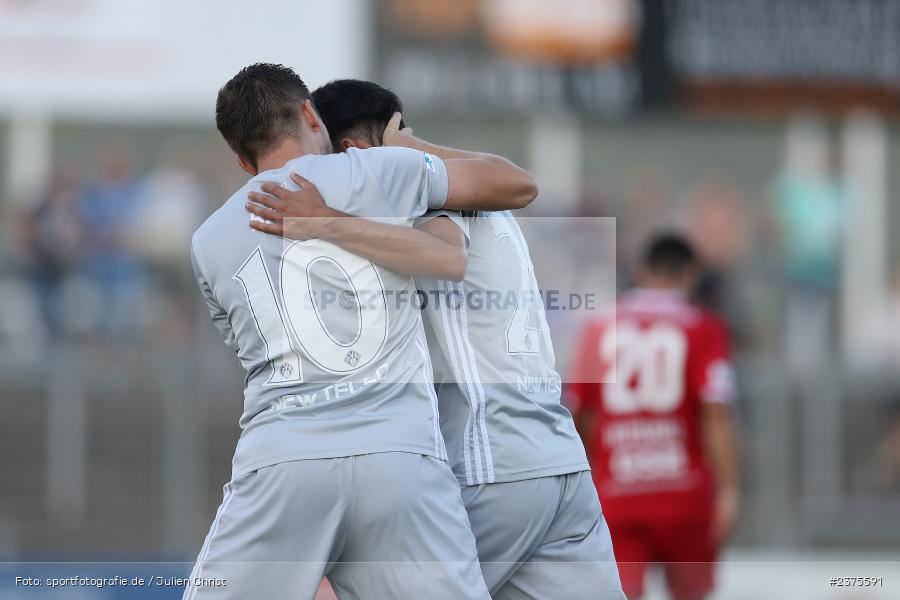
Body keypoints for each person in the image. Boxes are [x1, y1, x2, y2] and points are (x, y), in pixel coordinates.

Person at [246, 79, 625, 600]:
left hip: (490, 462)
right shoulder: (473, 189)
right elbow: (518, 182)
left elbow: (446, 258)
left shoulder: (415, 194)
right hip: (561, 468)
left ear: (355, 152)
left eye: (334, 163)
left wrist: (325, 220)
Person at [187, 63, 537, 600]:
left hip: (283, 460)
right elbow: (512, 184)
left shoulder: (209, 240)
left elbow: (246, 349)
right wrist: (411, 148)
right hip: (400, 456)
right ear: (310, 114)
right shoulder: (379, 172)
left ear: (241, 159)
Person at [566, 233, 741, 600]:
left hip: (617, 492)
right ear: (691, 273)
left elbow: (576, 413)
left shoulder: (598, 327)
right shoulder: (704, 327)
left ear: (641, 271)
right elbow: (715, 415)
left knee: (620, 593)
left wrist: (580, 485)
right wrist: (728, 489)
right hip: (685, 495)